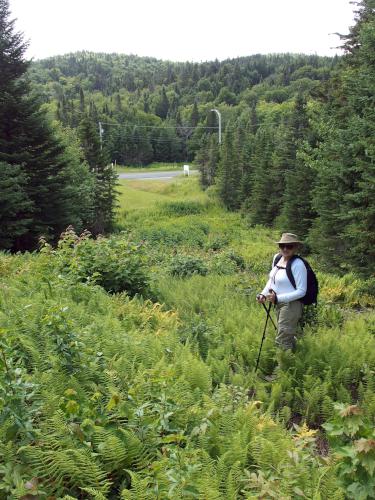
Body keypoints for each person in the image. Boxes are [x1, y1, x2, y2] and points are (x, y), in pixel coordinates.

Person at [256, 233, 307, 379]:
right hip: (278, 302)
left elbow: (302, 291)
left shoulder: (298, 265)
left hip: (291, 305)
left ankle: (280, 374)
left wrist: (279, 298)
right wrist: (263, 294)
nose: (285, 249)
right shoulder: (277, 259)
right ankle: (292, 363)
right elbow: (271, 281)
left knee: (282, 337)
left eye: (289, 246)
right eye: (282, 246)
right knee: (286, 334)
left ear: (295, 247)